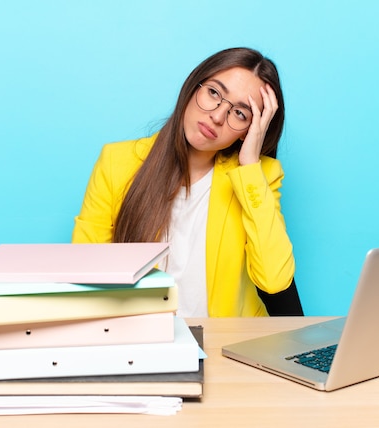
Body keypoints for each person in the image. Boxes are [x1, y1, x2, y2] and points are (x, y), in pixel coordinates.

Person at [72, 47, 295, 317]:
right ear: (193, 87)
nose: (217, 116)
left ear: (250, 130)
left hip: (225, 346)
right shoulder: (116, 163)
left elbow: (274, 282)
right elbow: (86, 274)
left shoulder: (259, 177)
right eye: (213, 93)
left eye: (240, 114)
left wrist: (250, 167)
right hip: (140, 343)